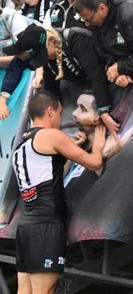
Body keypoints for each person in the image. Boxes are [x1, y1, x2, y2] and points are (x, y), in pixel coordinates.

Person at [13, 91, 105, 294]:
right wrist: (97, 147)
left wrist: (68, 153)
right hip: (46, 227)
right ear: (50, 111)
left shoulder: (21, 143)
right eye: (60, 113)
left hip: (26, 228)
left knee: (24, 291)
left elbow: (49, 174)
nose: (61, 119)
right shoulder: (51, 136)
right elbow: (95, 162)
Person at [31, 26, 120, 134]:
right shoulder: (47, 59)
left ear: (52, 42)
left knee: (100, 114)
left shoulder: (75, 38)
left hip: (107, 75)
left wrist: (104, 112)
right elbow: (51, 89)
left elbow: (96, 75)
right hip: (84, 84)